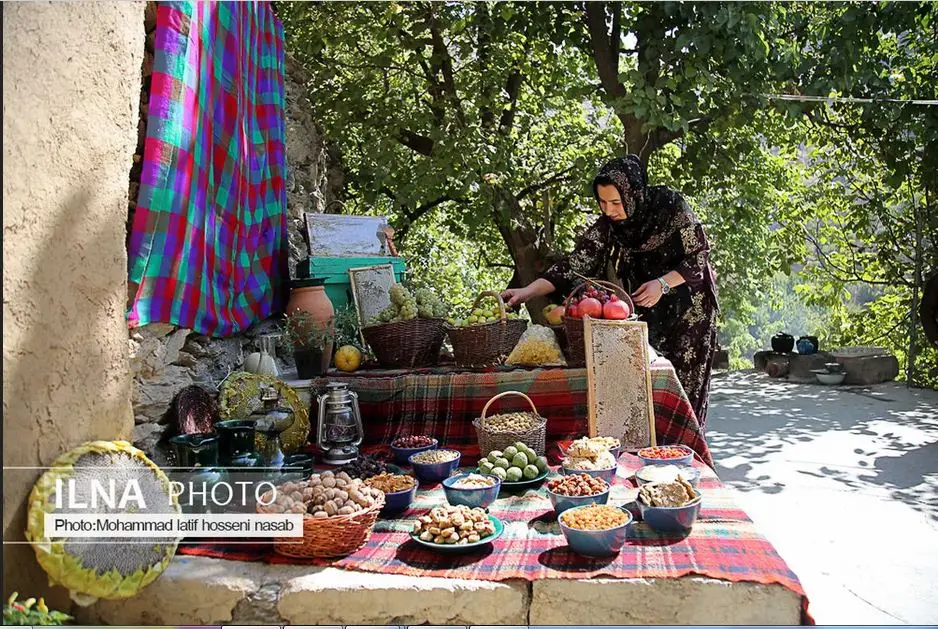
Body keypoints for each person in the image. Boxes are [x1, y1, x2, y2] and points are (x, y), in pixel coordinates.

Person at [502, 155, 719, 429]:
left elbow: (699, 255)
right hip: (646, 305)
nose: (609, 210)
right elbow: (573, 264)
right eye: (602, 202)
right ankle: (650, 454)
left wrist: (662, 284)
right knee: (647, 389)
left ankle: (687, 455)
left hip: (690, 308)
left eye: (616, 202)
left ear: (634, 193)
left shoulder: (671, 206)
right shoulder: (610, 225)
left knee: (681, 389)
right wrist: (526, 292)